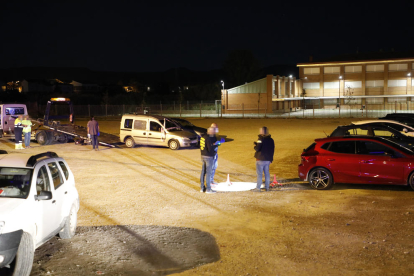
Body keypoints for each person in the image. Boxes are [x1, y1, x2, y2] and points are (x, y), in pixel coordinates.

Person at [253, 126, 275, 192]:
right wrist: (271, 159)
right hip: (267, 160)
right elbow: (272, 150)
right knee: (267, 174)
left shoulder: (260, 139)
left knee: (259, 174)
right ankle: (267, 187)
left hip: (260, 159)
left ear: (262, 132)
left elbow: (257, 149)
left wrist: (255, 146)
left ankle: (258, 188)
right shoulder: (271, 140)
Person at [200, 127, 219, 194]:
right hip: (208, 157)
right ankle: (208, 189)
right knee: (208, 173)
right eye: (213, 131)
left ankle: (202, 188)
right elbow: (210, 149)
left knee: (203, 172)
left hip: (203, 156)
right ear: (210, 131)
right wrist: (215, 145)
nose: (214, 133)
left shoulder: (203, 137)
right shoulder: (208, 138)